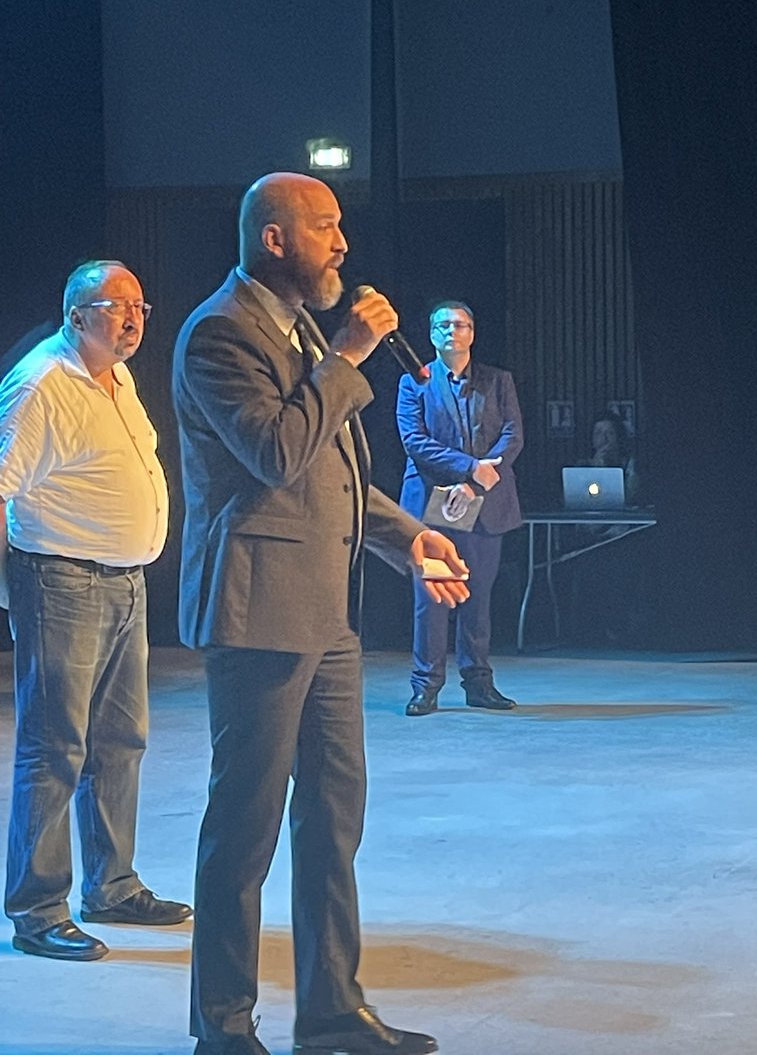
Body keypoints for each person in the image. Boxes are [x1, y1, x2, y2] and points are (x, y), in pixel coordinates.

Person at [173, 172, 470, 1055]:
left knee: (335, 818)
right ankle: (223, 1031)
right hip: (258, 612)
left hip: (328, 617)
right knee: (246, 829)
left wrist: (411, 538)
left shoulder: (302, 330)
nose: (343, 242)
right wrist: (345, 358)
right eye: (326, 226)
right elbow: (275, 452)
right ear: (275, 238)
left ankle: (332, 1009)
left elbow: (336, 478)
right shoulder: (218, 335)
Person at [0, 260, 191, 963]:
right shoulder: (42, 384)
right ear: (76, 314)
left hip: (124, 583)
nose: (134, 319)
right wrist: (9, 592)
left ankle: (112, 886)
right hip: (61, 583)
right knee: (55, 750)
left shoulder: (116, 375)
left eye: (141, 305)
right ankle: (37, 909)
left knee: (119, 744)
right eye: (117, 307)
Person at [396, 300, 523, 716]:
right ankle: (426, 686)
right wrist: (469, 468)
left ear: (473, 332)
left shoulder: (498, 381)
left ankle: (478, 683)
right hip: (434, 502)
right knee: (430, 598)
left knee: (478, 596)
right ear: (432, 334)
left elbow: (512, 435)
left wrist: (474, 485)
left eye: (462, 324)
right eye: (444, 325)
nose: (454, 330)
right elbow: (415, 442)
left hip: (482, 503)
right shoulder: (413, 383)